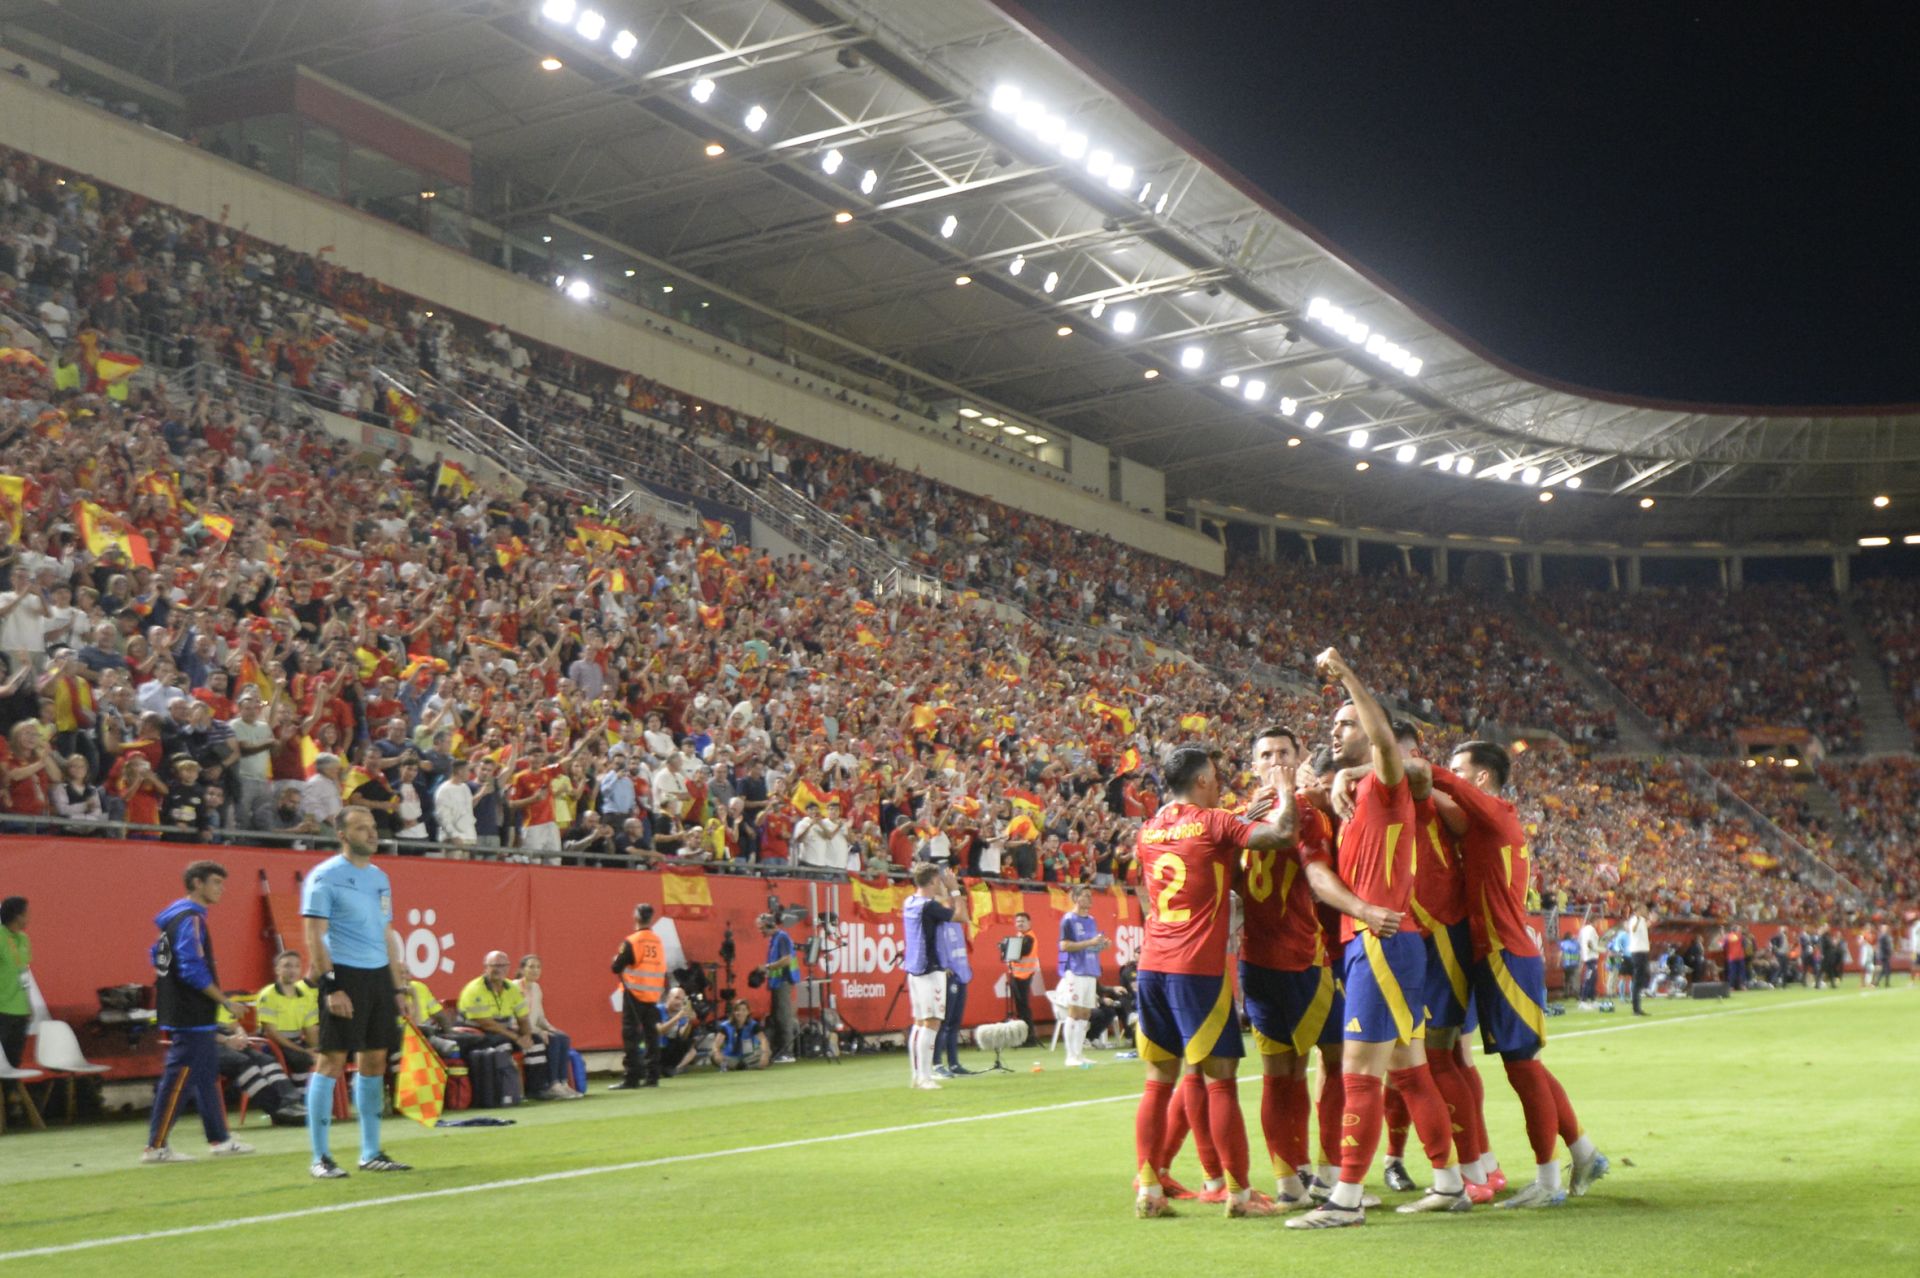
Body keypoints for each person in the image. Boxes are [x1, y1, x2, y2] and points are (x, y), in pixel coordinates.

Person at [1288, 650, 1462, 1229]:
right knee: (1410, 1072)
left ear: (1367, 727)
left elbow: (1390, 748)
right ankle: (1449, 1183)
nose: (1334, 731)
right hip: (1384, 940)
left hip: (1381, 941)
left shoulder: (1385, 784)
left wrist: (1345, 675)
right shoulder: (1354, 796)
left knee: (1358, 1072)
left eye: (1344, 723)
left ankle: (1345, 1199)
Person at [1430, 740, 1609, 1208]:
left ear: (1481, 778)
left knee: (1523, 1070)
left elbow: (1441, 784)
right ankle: (1584, 1154)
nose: (1450, 774)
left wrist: (1399, 761)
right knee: (1528, 1066)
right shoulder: (1486, 823)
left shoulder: (1494, 811)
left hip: (1506, 955)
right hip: (1498, 953)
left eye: (1457, 768)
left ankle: (1548, 1181)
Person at [1129, 744, 1301, 1220]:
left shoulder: (1148, 831)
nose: (1220, 783)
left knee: (1157, 1081)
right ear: (1203, 780)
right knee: (1220, 1083)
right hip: (1196, 971)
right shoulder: (1215, 822)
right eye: (1216, 776)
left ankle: (1148, 1188)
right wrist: (1286, 791)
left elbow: (1198, 850)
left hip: (1152, 966)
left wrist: (1241, 815)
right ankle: (1241, 1196)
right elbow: (1283, 834)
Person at [301, 806, 412, 1179]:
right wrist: (330, 983)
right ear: (343, 836)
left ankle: (370, 1151)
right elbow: (314, 935)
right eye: (362, 828)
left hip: (378, 976)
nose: (371, 834)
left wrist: (396, 984)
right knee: (331, 1060)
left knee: (376, 1060)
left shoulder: (381, 878)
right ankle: (321, 1156)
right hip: (344, 974)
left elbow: (386, 931)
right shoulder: (325, 877)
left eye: (373, 827)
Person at [143, 860, 255, 1163]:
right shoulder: (191, 918)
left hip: (183, 1010)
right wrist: (225, 1001)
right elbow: (192, 968)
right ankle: (156, 1146)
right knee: (177, 1079)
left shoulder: (171, 919)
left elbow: (158, 958)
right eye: (216, 882)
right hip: (191, 1013)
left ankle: (220, 1139)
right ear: (196, 884)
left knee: (205, 1078)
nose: (222, 889)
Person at [457, 951, 569, 1100]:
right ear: (486, 967)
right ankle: (506, 1091)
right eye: (495, 966)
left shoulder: (512, 988)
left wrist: (527, 1036)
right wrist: (517, 1038)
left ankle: (536, 1089)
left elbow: (523, 1018)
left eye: (503, 966)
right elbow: (487, 1023)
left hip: (502, 1031)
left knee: (536, 1042)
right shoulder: (474, 989)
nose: (499, 969)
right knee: (503, 1044)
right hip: (476, 1032)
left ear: (509, 967)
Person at [902, 862, 966, 1090]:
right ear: (932, 881)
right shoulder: (929, 906)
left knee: (920, 1023)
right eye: (939, 880)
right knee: (931, 1023)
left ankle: (917, 1074)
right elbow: (961, 917)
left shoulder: (909, 902)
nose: (941, 884)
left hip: (914, 968)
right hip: (930, 970)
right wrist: (955, 890)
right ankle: (925, 1077)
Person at [609, 903, 668, 1089]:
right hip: (653, 994)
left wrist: (616, 960)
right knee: (652, 1036)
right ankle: (653, 1076)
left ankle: (632, 1077)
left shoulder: (632, 941)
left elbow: (616, 967)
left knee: (631, 1035)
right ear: (651, 918)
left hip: (634, 993)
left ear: (635, 916)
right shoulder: (657, 941)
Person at [1055, 885, 1108, 1068]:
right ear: (1076, 898)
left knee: (1085, 1013)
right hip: (1075, 970)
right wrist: (1089, 942)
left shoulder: (1091, 920)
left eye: (1090, 895)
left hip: (1090, 969)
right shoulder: (1068, 919)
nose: (1090, 899)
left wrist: (1100, 945)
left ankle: (1079, 1054)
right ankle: (1070, 1056)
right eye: (1086, 895)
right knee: (1074, 1012)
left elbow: (1090, 946)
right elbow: (1064, 946)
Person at [516, 954, 581, 1098]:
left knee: (562, 1037)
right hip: (520, 1032)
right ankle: (552, 1084)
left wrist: (550, 1028)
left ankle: (562, 1082)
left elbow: (540, 1017)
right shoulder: (514, 988)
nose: (535, 970)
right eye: (531, 967)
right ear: (521, 969)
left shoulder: (537, 988)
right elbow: (517, 1019)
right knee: (553, 1040)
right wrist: (538, 1031)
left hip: (535, 1030)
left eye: (538, 967)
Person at [253, 949, 319, 1083]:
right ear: (277, 969)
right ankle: (300, 1096)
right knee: (301, 1059)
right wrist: (305, 1051)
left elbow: (311, 1029)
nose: (293, 970)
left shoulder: (306, 996)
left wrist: (316, 1049)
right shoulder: (268, 995)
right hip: (272, 1043)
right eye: (287, 966)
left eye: (297, 966)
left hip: (296, 1042)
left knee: (327, 1055)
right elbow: (272, 1034)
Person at [933, 904, 975, 1078]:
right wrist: (943, 966)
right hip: (949, 976)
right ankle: (936, 1064)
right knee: (943, 1023)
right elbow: (936, 944)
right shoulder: (940, 921)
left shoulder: (958, 924)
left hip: (962, 974)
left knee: (955, 1023)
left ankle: (954, 1063)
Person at [757, 912, 799, 1064]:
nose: (760, 931)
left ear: (769, 925)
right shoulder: (775, 939)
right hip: (777, 982)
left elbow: (786, 960)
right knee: (777, 1018)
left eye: (762, 928)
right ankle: (780, 1050)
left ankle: (787, 1052)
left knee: (784, 1017)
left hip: (783, 982)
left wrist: (767, 967)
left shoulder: (782, 937)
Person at [0, 897, 32, 1072]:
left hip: (21, 1011)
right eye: (27, 914)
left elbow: (24, 973)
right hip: (2, 1009)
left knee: (14, 1063)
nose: (29, 919)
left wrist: (28, 1004)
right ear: (17, 916)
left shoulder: (24, 940)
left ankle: (12, 1097)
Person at [1004, 911, 1039, 1039]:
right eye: (1018, 921)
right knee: (1021, 1007)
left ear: (1029, 923)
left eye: (1022, 921)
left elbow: (1023, 952)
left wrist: (1008, 950)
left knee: (1023, 1007)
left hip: (1023, 976)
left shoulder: (1028, 937)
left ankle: (1029, 1037)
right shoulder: (1021, 936)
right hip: (1017, 975)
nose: (1020, 924)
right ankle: (1025, 1035)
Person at [712, 998, 768, 1071]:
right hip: (730, 1057)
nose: (740, 1013)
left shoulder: (753, 1025)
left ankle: (741, 1066)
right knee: (713, 1056)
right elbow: (716, 1044)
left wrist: (765, 1054)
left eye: (744, 1010)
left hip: (748, 1056)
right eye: (737, 1010)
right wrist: (717, 1053)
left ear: (748, 1012)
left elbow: (763, 1040)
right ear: (734, 1012)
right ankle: (742, 1066)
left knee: (765, 1052)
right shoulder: (725, 1026)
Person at [1626, 903, 1654, 1016]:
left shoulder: (1642, 920)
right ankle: (1635, 1007)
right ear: (1638, 910)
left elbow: (1644, 929)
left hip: (1643, 951)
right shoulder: (1634, 919)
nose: (1646, 911)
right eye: (1644, 909)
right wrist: (1638, 919)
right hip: (1637, 952)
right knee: (1637, 979)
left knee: (1643, 976)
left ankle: (1638, 1004)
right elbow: (1633, 930)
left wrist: (1651, 921)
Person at [1577, 915, 1603, 1007]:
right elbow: (1589, 943)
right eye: (1598, 921)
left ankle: (1592, 999)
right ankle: (1583, 1001)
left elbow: (1581, 941)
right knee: (1589, 979)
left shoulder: (1584, 929)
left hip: (1589, 956)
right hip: (1590, 957)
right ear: (1594, 920)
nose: (1598, 924)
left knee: (1593, 979)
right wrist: (1598, 949)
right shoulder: (1590, 929)